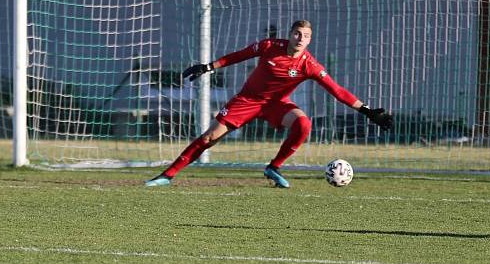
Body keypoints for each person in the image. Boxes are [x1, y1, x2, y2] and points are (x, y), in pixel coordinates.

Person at [145, 20, 393, 188]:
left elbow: (337, 90)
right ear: (290, 35)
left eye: (306, 36)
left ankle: (274, 168)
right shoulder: (269, 46)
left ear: (309, 40)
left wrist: (368, 111)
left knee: (303, 123)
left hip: (276, 104)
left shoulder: (310, 65)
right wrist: (209, 67)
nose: (300, 38)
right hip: (247, 100)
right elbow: (239, 55)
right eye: (297, 34)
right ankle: (168, 175)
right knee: (210, 138)